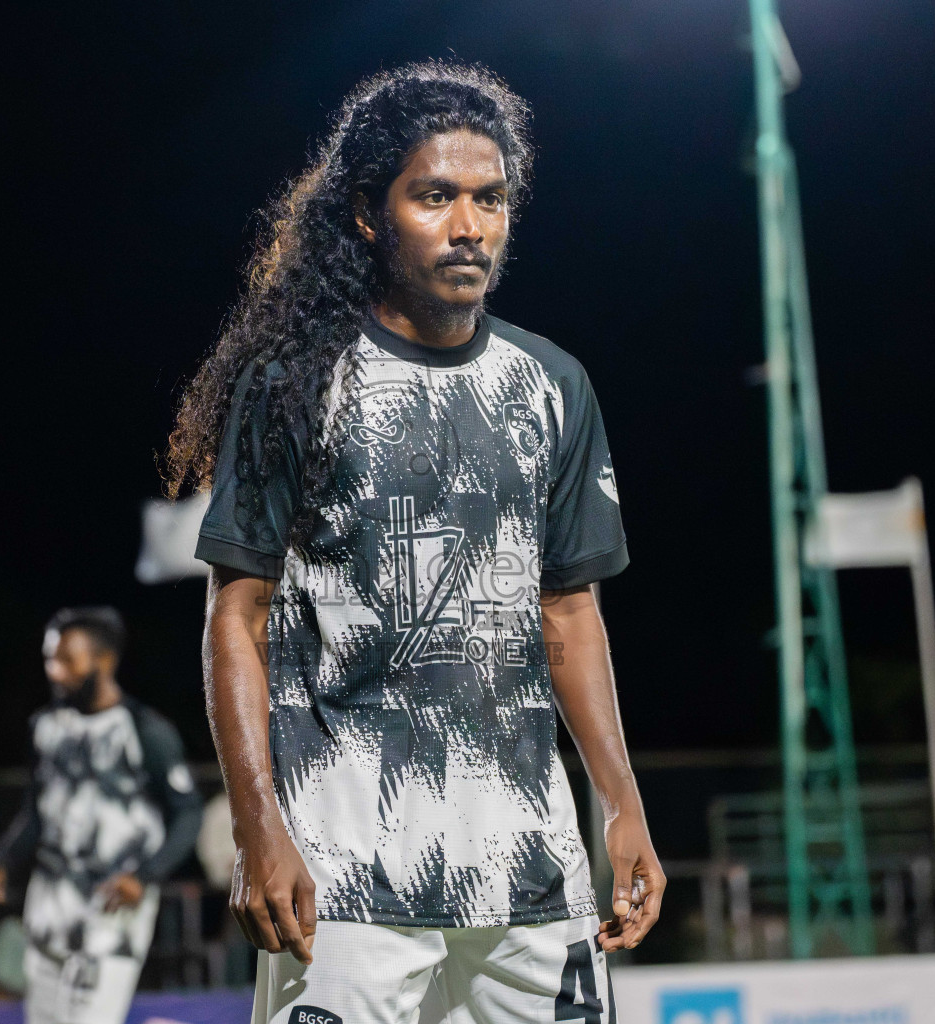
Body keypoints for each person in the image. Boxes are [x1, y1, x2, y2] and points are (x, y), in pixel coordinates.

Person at [167, 62, 664, 1024]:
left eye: (491, 200)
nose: (469, 226)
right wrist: (257, 821)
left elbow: (569, 610)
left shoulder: (554, 384)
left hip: (530, 866)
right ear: (367, 212)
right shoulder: (296, 382)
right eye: (434, 196)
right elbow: (240, 615)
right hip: (345, 871)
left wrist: (619, 802)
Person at [0, 607, 202, 1024]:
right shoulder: (45, 727)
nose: (55, 672)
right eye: (49, 659)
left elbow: (187, 813)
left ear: (104, 660)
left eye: (66, 660)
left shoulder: (144, 730)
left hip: (112, 910)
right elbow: (37, 813)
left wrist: (145, 876)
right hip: (50, 905)